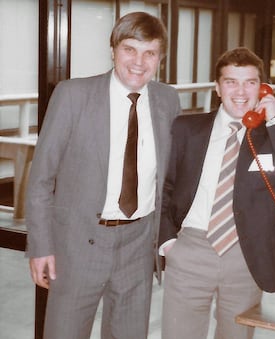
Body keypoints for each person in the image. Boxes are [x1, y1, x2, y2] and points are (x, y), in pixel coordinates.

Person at [25, 12, 181, 339]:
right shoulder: (72, 95)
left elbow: (171, 176)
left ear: (160, 59)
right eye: (130, 49)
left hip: (138, 248)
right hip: (77, 246)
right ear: (113, 50)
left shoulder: (168, 100)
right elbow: (41, 179)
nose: (138, 62)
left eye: (149, 53)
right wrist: (41, 245)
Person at [158, 47, 275, 339]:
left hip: (246, 256)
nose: (241, 91)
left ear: (263, 88)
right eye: (231, 81)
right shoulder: (187, 129)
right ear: (218, 88)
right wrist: (169, 243)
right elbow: (163, 189)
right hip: (190, 251)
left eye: (250, 82)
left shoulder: (272, 136)